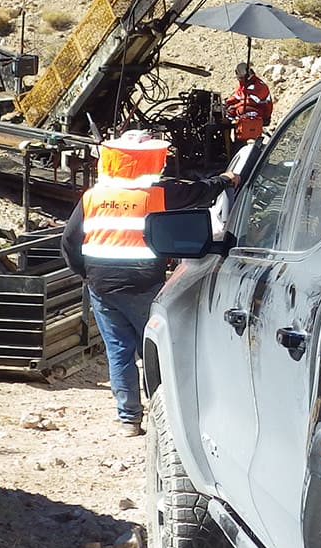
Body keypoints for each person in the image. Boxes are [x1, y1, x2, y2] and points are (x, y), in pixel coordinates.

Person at [62, 130, 237, 437]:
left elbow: (69, 241)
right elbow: (198, 192)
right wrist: (226, 180)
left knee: (118, 351)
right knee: (156, 349)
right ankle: (164, 415)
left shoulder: (93, 197)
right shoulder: (156, 194)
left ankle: (129, 419)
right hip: (143, 283)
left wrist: (86, 275)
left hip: (101, 285)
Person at [224, 61, 274, 142]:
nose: (239, 80)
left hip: (261, 113)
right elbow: (238, 95)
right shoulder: (244, 85)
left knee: (241, 110)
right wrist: (227, 103)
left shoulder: (259, 86)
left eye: (240, 78)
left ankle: (245, 139)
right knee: (226, 117)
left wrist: (233, 108)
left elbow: (249, 102)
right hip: (251, 111)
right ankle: (228, 145)